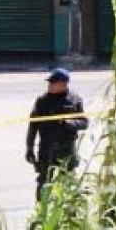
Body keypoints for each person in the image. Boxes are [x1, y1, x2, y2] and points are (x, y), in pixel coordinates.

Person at [25, 68, 88, 201]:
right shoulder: (42, 101)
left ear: (63, 84)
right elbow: (33, 126)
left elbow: (84, 123)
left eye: (53, 83)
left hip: (67, 147)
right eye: (50, 83)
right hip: (47, 147)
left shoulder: (75, 100)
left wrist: (68, 123)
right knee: (44, 181)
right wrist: (29, 148)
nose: (50, 85)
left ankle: (70, 212)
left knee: (68, 180)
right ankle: (41, 213)